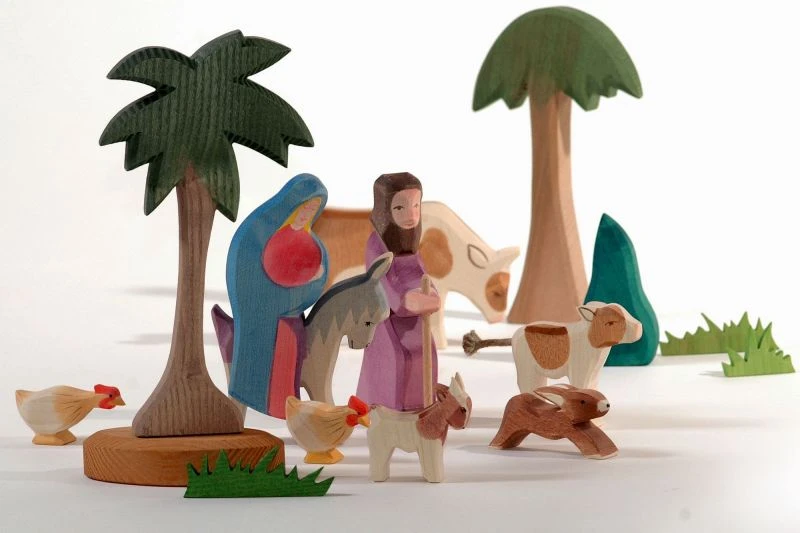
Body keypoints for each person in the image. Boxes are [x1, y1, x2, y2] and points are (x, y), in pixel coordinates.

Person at [226, 173, 328, 414]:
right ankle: (267, 401)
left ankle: (285, 404)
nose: (306, 214)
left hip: (292, 316)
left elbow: (312, 265)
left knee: (290, 355)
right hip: (271, 316)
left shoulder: (308, 238)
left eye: (312, 210)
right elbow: (277, 272)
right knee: (275, 354)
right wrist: (310, 277)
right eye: (304, 208)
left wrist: (316, 274)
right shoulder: (277, 236)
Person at [356, 172, 440, 411]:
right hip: (386, 320)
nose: (411, 215)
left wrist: (432, 294)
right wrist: (406, 301)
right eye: (400, 208)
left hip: (415, 320)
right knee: (399, 358)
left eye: (416, 205)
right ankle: (391, 411)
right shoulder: (376, 245)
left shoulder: (411, 244)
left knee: (428, 353)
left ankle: (421, 405)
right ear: (385, 209)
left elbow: (420, 273)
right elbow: (382, 284)